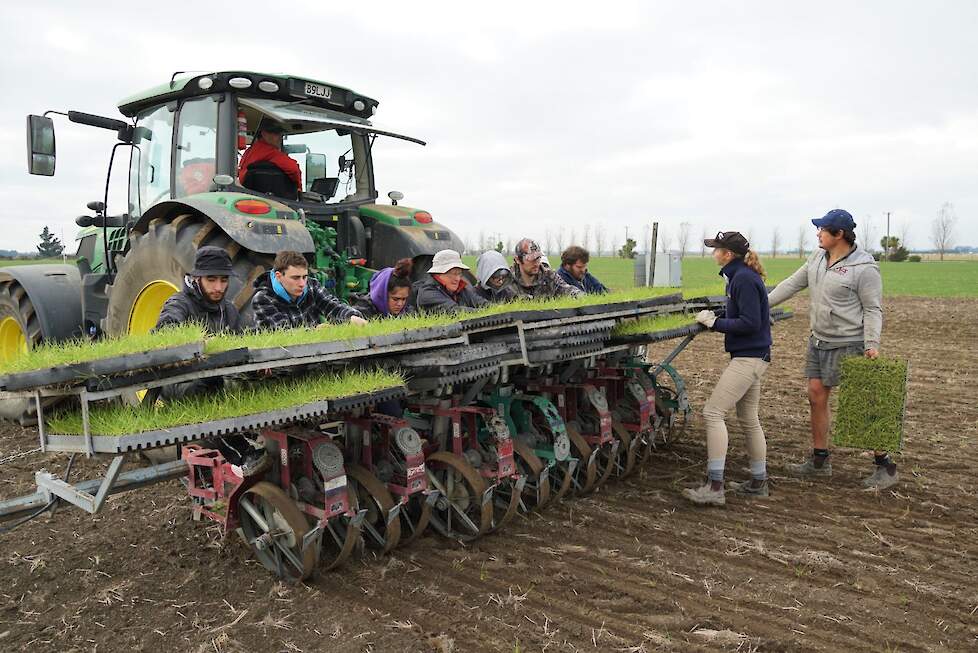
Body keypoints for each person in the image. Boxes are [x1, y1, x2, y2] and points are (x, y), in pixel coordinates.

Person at [767, 209, 894, 489]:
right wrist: (760, 304)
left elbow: (873, 309)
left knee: (862, 405)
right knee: (815, 395)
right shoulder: (816, 258)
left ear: (839, 235)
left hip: (849, 343)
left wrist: (872, 343)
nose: (817, 233)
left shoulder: (864, 267)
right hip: (818, 340)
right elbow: (790, 284)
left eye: (822, 230)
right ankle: (819, 461)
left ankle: (885, 465)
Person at [682, 231, 772, 506]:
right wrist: (718, 317)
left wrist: (715, 323)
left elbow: (749, 323)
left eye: (716, 248)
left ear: (728, 254)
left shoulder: (742, 279)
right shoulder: (739, 275)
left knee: (712, 413)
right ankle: (758, 481)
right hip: (756, 355)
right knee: (747, 418)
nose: (713, 252)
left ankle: (715, 486)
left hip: (748, 358)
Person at [251, 250, 367, 329]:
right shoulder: (262, 299)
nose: (302, 283)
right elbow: (282, 333)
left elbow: (333, 306)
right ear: (279, 276)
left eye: (304, 277)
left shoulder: (312, 286)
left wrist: (351, 317)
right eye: (295, 278)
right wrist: (315, 331)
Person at [156, 246, 242, 334]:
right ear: (196, 278)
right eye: (211, 280)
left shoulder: (230, 311)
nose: (218, 288)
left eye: (224, 280)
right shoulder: (179, 304)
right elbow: (165, 331)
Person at [413, 249, 488, 313]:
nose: (458, 279)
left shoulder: (461, 290)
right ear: (438, 274)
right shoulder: (428, 293)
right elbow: (454, 311)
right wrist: (482, 312)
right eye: (454, 274)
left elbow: (482, 303)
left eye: (459, 274)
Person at [237, 120, 302, 194]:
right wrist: (299, 189)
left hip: (247, 193)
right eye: (276, 133)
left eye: (281, 134)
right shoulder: (269, 151)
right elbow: (293, 169)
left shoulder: (249, 151)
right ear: (264, 134)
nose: (280, 137)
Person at [510, 238, 583, 300]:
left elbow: (567, 289)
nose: (536, 263)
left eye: (538, 258)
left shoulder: (549, 276)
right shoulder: (507, 280)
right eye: (531, 259)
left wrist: (580, 296)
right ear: (517, 260)